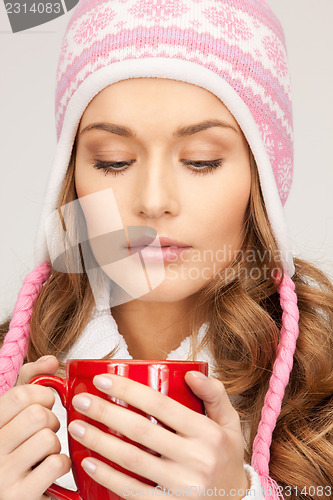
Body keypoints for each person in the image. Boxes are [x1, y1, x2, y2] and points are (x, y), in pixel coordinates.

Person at [0, 0, 332, 499]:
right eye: (113, 162)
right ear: (71, 181)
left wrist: (238, 495)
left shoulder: (321, 393)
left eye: (200, 162)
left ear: (259, 181)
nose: (153, 203)